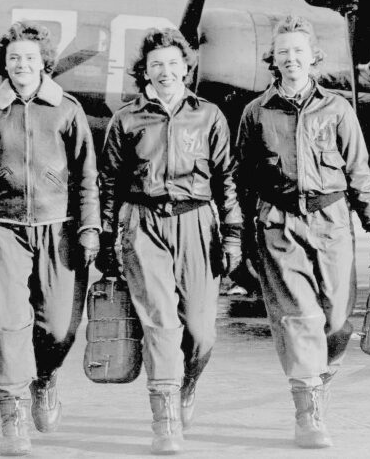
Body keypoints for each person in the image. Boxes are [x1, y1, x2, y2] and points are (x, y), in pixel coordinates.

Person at [235, 15, 370, 449]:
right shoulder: (255, 113)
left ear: (313, 58)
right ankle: (308, 414)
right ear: (274, 59)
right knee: (299, 319)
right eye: (283, 52)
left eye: (298, 51)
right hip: (279, 226)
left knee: (337, 322)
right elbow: (242, 179)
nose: (291, 59)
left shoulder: (337, 108)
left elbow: (359, 173)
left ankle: (319, 378)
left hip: (332, 223)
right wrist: (240, 237)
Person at [0, 21, 100, 457]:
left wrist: (90, 228)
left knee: (57, 325)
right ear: (4, 64)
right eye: (14, 58)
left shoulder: (68, 110)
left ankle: (46, 377)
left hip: (60, 228)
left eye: (30, 57)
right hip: (3, 229)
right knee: (11, 323)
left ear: (43, 63)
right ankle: (12, 418)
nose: (22, 64)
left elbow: (87, 176)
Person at [98, 27, 242, 455]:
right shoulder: (126, 119)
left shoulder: (209, 115)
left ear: (186, 67)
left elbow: (227, 180)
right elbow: (109, 183)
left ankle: (187, 384)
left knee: (200, 332)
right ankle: (165, 422)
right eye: (155, 64)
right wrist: (109, 239)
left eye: (173, 63)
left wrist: (232, 235)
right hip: (143, 225)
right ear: (144, 70)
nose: (165, 71)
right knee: (160, 325)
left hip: (196, 223)